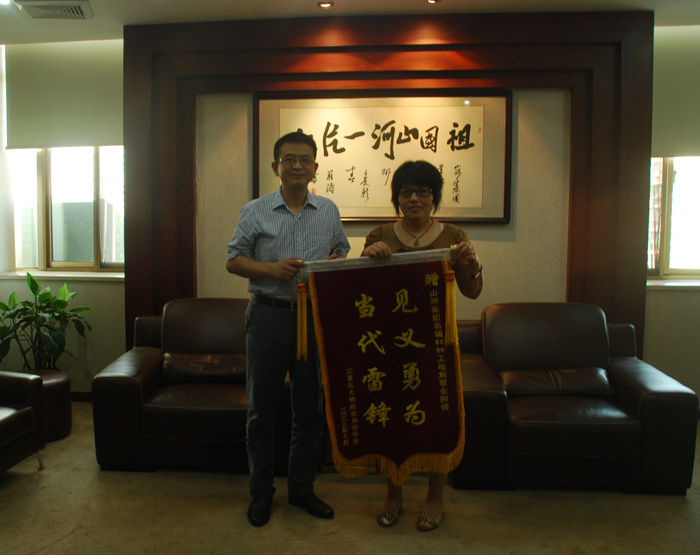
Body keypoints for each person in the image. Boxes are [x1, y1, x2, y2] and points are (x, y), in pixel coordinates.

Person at [226, 131, 350, 527]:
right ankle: (261, 493)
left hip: (313, 317)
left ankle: (301, 489)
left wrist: (335, 261)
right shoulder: (255, 210)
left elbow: (342, 250)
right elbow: (233, 259)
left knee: (309, 409)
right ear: (276, 166)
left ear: (315, 167)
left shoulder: (328, 210)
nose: (298, 165)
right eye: (289, 159)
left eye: (305, 159)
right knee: (261, 411)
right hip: (269, 316)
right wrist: (270, 269)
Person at [361, 159, 483, 532]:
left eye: (423, 191)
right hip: (390, 342)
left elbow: (472, 291)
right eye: (406, 192)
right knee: (393, 419)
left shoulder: (454, 236)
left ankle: (434, 497)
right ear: (397, 198)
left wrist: (472, 263)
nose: (414, 198)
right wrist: (367, 257)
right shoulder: (380, 234)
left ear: (434, 197)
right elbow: (360, 291)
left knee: (437, 419)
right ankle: (393, 495)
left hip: (437, 343)